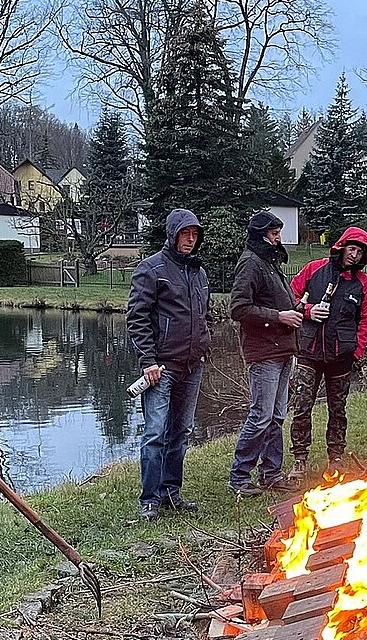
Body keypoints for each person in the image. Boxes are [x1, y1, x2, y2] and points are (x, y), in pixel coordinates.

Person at [126, 209, 211, 519]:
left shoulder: (199, 272)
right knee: (155, 434)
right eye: (185, 233)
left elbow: (205, 314)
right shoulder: (151, 269)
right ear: (173, 234)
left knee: (181, 432)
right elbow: (137, 318)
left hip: (192, 365)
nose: (190, 239)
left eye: (194, 234)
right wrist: (148, 360)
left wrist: (204, 345)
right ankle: (149, 499)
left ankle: (171, 493)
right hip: (160, 368)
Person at [287, 226, 367, 477]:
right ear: (342, 247)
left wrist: (357, 352)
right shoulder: (314, 269)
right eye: (352, 248)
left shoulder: (362, 283)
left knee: (338, 409)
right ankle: (299, 458)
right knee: (302, 406)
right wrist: (308, 311)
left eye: (359, 252)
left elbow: (365, 319)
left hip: (341, 356)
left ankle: (335, 458)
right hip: (308, 351)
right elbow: (290, 296)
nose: (354, 255)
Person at [228, 210, 302, 497]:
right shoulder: (251, 263)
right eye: (273, 233)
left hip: (283, 349)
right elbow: (239, 308)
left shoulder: (270, 263)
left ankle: (271, 474)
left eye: (279, 233)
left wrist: (295, 311)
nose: (278, 238)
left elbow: (276, 301)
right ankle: (239, 477)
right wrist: (279, 316)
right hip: (264, 352)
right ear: (261, 235)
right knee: (261, 415)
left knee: (277, 416)